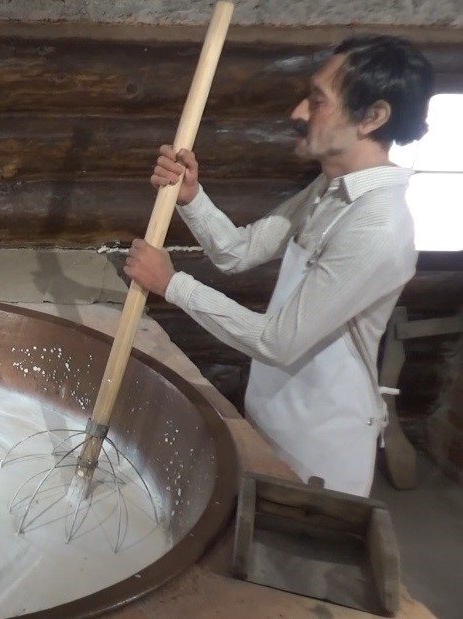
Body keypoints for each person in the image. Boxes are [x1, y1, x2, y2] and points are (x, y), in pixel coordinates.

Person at [125, 36, 434, 496]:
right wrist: (192, 197)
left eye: (317, 100)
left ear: (372, 117)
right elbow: (237, 252)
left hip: (319, 450)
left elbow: (278, 341)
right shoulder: (331, 190)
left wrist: (173, 285)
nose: (298, 112)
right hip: (274, 413)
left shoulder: (378, 224)